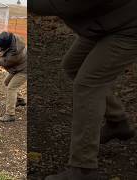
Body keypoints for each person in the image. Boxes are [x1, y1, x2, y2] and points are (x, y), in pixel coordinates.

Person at [30, 0, 137, 179]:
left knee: (88, 84)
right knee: (73, 66)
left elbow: (60, 5)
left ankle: (83, 168)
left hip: (128, 27)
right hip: (107, 23)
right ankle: (118, 122)